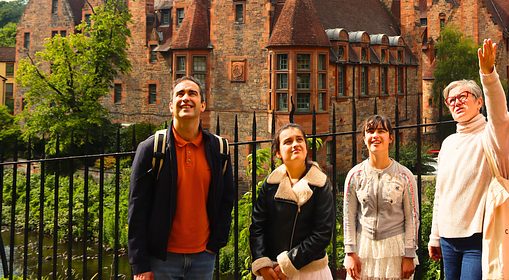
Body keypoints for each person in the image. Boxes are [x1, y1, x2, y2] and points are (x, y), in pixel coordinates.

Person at [128, 76, 235, 280]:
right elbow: (137, 209)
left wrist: (216, 243)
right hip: (162, 258)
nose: (186, 98)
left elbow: (226, 200)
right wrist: (140, 265)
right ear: (170, 106)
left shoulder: (219, 149)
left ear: (203, 105)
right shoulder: (150, 149)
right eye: (180, 94)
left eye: (192, 93)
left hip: (203, 256)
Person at [428, 39, 509, 280]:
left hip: (478, 237)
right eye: (451, 100)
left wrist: (488, 74)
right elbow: (441, 194)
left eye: (463, 96)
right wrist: (435, 235)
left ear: (479, 102)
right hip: (447, 238)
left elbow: (500, 115)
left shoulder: (491, 136)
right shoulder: (448, 143)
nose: (457, 102)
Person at [249, 123, 335, 280]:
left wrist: (289, 264)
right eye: (288, 141)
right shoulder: (270, 185)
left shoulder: (320, 185)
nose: (295, 144)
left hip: (309, 271)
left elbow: (322, 233)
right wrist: (262, 263)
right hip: (271, 272)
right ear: (277, 153)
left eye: (299, 140)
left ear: (306, 147)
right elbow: (257, 227)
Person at [343, 115, 419, 280]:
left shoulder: (404, 176)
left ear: (391, 138)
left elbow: (412, 217)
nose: (375, 135)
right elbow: (348, 216)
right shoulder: (355, 175)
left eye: (381, 131)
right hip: (363, 249)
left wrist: (409, 254)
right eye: (370, 131)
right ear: (364, 138)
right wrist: (349, 252)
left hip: (395, 251)